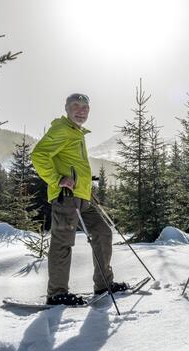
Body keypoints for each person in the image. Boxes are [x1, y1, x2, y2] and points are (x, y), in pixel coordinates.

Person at [31, 93, 127, 305]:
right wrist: (57, 179)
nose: (81, 110)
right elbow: (38, 155)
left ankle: (104, 283)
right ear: (67, 108)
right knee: (62, 242)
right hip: (66, 198)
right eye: (76, 106)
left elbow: (73, 166)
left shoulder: (77, 133)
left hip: (82, 197)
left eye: (85, 107)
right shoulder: (62, 129)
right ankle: (57, 294)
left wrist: (85, 186)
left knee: (102, 232)